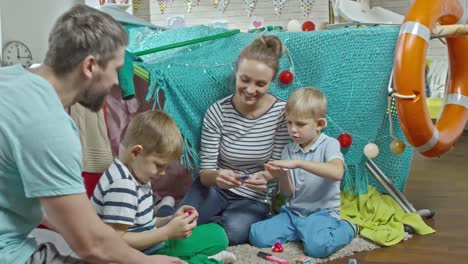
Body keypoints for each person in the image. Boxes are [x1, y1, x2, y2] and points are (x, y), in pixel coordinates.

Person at [0, 4, 184, 264]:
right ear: (90, 66)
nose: (117, 82)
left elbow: (36, 202)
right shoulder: (49, 125)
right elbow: (93, 247)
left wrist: (87, 225)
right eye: (116, 69)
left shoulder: (8, 80)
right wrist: (153, 262)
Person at [177, 35, 290, 245]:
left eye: (260, 84)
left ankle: (210, 230)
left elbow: (277, 168)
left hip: (253, 197)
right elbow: (205, 174)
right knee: (184, 220)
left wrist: (265, 177)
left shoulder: (281, 114)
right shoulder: (218, 111)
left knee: (235, 232)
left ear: (271, 82)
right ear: (235, 74)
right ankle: (172, 213)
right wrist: (217, 176)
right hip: (214, 188)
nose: (250, 90)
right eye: (244, 79)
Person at [91, 110, 236, 264]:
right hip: (134, 256)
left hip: (149, 244)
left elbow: (141, 224)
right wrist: (167, 233)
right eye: (159, 165)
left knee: (218, 234)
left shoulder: (136, 172)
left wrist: (169, 220)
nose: (163, 173)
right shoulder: (123, 185)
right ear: (136, 152)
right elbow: (116, 241)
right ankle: (204, 261)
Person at [249, 87, 358, 258]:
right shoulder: (288, 149)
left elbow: (337, 172)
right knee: (256, 235)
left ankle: (349, 228)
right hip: (294, 213)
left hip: (323, 214)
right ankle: (304, 232)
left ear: (319, 124)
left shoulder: (329, 144)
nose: (293, 129)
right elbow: (288, 193)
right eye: (289, 122)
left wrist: (298, 163)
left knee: (317, 248)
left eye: (300, 124)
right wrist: (282, 175)